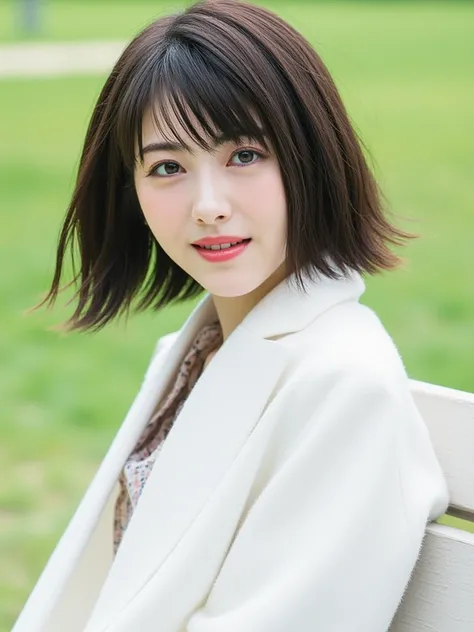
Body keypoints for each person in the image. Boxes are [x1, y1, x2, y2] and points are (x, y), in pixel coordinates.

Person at [14, 1, 449, 630]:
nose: (208, 205)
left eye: (244, 155)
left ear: (311, 154)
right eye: (168, 167)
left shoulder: (346, 387)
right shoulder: (191, 352)